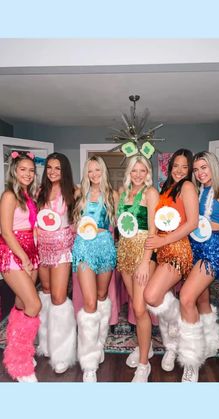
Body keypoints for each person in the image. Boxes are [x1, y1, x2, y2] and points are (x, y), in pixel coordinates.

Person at [177, 151, 219, 382]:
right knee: (201, 298)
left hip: (212, 248)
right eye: (197, 169)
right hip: (195, 246)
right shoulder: (198, 190)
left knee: (186, 297)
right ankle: (211, 342)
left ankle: (192, 360)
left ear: (214, 167)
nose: (201, 173)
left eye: (204, 167)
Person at [144, 149, 199, 375]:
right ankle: (171, 346)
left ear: (189, 170)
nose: (178, 170)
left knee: (151, 296)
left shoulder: (187, 187)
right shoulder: (166, 188)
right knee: (160, 296)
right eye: (176, 165)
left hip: (177, 250)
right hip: (162, 250)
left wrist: (163, 239)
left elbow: (192, 223)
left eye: (184, 167)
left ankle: (178, 333)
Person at [72, 155, 117, 382]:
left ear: (103, 171)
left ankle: (99, 343)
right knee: (89, 303)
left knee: (101, 297)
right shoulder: (79, 193)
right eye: (90, 171)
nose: (94, 175)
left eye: (97, 170)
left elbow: (121, 225)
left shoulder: (112, 195)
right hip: (83, 248)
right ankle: (89, 363)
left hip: (105, 247)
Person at [116, 155, 159, 382]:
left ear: (147, 172)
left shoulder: (150, 193)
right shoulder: (123, 193)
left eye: (143, 170)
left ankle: (144, 365)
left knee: (141, 309)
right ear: (129, 172)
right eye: (135, 170)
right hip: (125, 252)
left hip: (144, 254)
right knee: (135, 305)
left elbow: (153, 230)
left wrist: (145, 261)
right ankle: (147, 346)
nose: (138, 175)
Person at [0, 151, 41, 382]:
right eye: (23, 169)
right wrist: (24, 258)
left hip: (30, 251)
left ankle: (17, 348)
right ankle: (19, 364)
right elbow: (6, 231)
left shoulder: (28, 196)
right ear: (14, 170)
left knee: (21, 303)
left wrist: (35, 253)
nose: (27, 174)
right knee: (34, 304)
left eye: (31, 170)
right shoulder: (9, 196)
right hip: (13, 253)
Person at [37, 152, 76, 374]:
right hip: (43, 250)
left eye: (57, 168)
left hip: (62, 251)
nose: (52, 172)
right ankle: (47, 342)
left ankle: (63, 352)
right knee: (46, 292)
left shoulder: (74, 191)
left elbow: (81, 219)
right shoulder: (40, 192)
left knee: (59, 298)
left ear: (64, 171)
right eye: (49, 168)